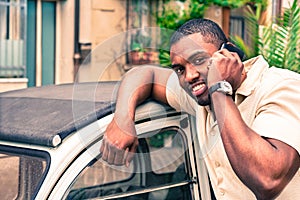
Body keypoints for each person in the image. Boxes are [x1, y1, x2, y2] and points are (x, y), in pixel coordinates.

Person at [100, 18, 300, 199]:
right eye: (180, 69)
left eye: (199, 60)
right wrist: (122, 120)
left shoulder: (281, 87)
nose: (189, 76)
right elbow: (144, 74)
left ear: (228, 53)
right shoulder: (199, 96)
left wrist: (219, 88)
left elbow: (268, 181)